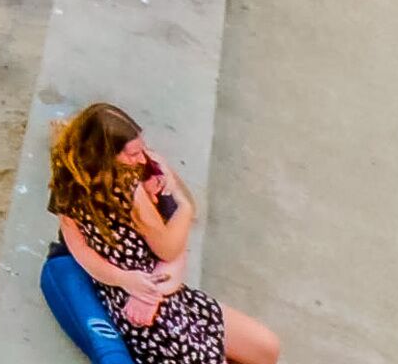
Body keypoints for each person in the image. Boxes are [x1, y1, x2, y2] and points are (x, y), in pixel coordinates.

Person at [47, 102, 281, 363]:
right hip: (140, 305)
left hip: (155, 290)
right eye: (133, 153)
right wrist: (184, 206)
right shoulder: (128, 190)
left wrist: (146, 289)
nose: (142, 158)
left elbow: (172, 258)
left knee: (266, 347)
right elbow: (167, 249)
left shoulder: (94, 177)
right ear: (105, 156)